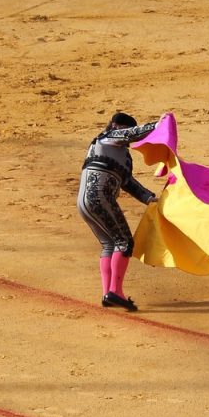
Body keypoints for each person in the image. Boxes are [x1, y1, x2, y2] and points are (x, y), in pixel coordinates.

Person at [77, 111, 161, 311]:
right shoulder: (108, 137)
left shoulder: (119, 154)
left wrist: (148, 198)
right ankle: (115, 291)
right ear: (116, 126)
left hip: (84, 202)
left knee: (109, 244)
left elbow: (127, 182)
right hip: (100, 198)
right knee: (125, 242)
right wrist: (158, 125)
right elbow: (132, 134)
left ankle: (108, 293)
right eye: (124, 128)